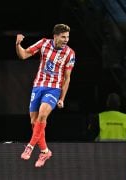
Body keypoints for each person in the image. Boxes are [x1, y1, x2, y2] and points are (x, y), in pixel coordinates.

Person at [15, 24, 76, 167]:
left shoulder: (70, 53)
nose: (66, 40)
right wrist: (18, 44)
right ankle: (44, 151)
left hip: (54, 89)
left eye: (67, 37)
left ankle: (30, 146)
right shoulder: (43, 43)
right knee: (34, 122)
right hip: (38, 86)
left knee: (42, 114)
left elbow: (67, 78)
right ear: (55, 36)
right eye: (63, 37)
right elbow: (23, 55)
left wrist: (62, 98)